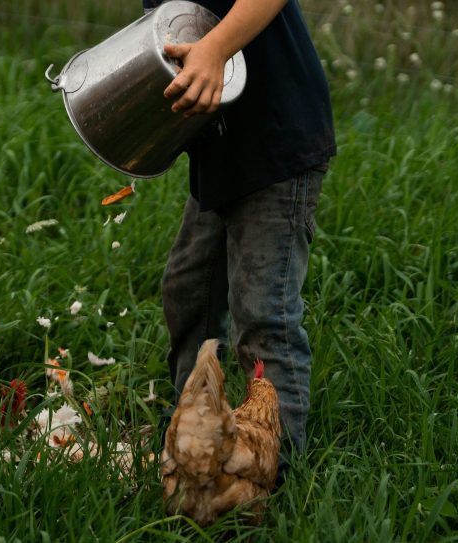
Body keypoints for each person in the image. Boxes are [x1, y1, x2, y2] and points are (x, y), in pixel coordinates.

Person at [146, 0, 336, 470]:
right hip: (222, 151)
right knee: (189, 288)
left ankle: (276, 468)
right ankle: (189, 436)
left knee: (263, 314)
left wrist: (213, 50)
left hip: (276, 144)